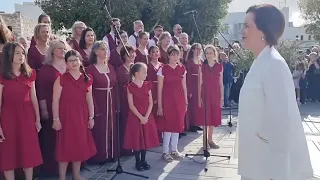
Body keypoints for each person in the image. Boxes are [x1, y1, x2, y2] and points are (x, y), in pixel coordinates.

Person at [234, 4, 313, 180]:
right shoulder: (261, 61)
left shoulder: (274, 64)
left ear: (264, 31)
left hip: (267, 169)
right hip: (256, 161)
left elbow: (282, 122)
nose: (242, 30)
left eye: (247, 26)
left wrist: (276, 172)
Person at [0, 42, 42, 180]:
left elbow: (34, 98)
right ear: (8, 55)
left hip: (27, 117)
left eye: (22, 53)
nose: (21, 56)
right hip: (8, 117)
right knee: (8, 154)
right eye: (17, 53)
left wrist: (37, 119)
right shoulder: (2, 76)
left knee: (28, 151)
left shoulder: (30, 74)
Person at [52, 50, 96, 180]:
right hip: (66, 116)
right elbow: (55, 100)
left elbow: (89, 99)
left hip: (82, 116)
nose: (74, 63)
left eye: (76, 60)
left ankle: (76, 175)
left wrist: (91, 117)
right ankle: (62, 177)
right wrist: (56, 119)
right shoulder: (61, 79)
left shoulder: (87, 78)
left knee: (79, 145)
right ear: (66, 63)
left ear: (80, 61)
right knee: (65, 146)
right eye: (70, 61)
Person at [123, 62, 159, 171]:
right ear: (137, 73)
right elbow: (131, 105)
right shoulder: (130, 86)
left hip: (147, 115)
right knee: (137, 140)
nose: (146, 74)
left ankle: (144, 160)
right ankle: (137, 162)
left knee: (145, 139)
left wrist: (146, 117)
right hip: (135, 116)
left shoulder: (147, 85)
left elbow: (151, 102)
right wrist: (140, 117)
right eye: (144, 72)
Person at [157, 45, 187, 162]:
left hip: (179, 100)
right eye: (173, 54)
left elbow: (184, 86)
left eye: (177, 54)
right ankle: (165, 151)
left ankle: (174, 150)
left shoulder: (182, 69)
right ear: (168, 55)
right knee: (168, 126)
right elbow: (159, 88)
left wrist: (186, 102)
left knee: (177, 125)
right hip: (167, 100)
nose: (175, 56)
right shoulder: (163, 69)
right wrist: (160, 105)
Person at [198, 45, 223, 150]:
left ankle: (210, 139)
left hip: (216, 95)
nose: (208, 55)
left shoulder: (219, 66)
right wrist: (199, 97)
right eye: (207, 53)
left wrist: (222, 98)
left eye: (210, 53)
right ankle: (204, 140)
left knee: (213, 117)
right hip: (206, 94)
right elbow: (200, 83)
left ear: (214, 54)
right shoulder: (202, 67)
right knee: (205, 118)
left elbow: (221, 83)